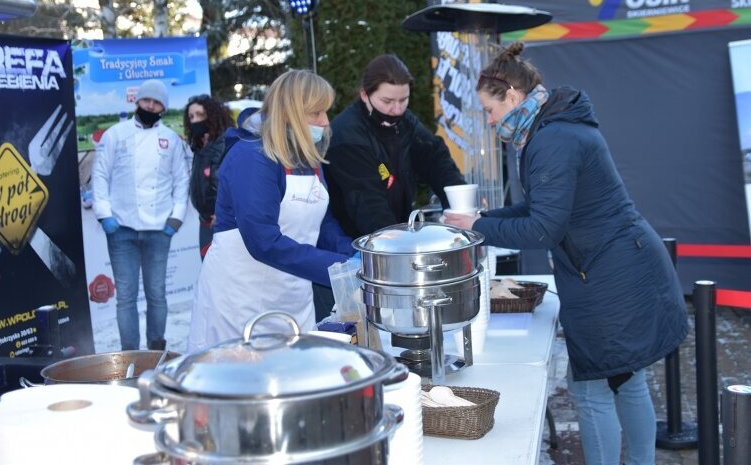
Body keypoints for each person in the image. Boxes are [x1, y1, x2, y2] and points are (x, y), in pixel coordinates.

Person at [444, 42, 689, 465]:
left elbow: (543, 228)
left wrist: (478, 227)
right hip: (619, 264)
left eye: (489, 109)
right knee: (628, 380)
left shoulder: (550, 139)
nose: (489, 121)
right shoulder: (550, 129)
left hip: (611, 275)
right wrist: (487, 215)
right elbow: (543, 208)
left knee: (591, 389)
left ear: (514, 98)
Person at [188, 70, 355, 350]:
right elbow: (263, 241)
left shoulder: (307, 157)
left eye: (325, 112)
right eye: (316, 113)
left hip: (291, 295)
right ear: (290, 113)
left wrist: (356, 253)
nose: (325, 122)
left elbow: (321, 224)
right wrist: (339, 269)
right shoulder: (252, 157)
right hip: (239, 300)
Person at [93, 79, 189, 351]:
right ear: (138, 102)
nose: (151, 105)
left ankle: (156, 350)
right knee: (125, 296)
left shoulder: (170, 139)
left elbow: (181, 180)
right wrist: (104, 215)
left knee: (157, 293)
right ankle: (130, 354)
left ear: (163, 108)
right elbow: (100, 176)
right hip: (121, 229)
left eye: (157, 102)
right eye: (147, 100)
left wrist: (176, 218)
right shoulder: (116, 134)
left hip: (159, 230)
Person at [324, 53, 465, 239]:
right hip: (356, 243)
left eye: (404, 100)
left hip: (397, 229)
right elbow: (367, 203)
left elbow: (435, 159)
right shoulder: (347, 136)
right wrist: (397, 246)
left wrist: (460, 206)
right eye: (387, 102)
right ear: (364, 95)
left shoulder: (405, 122)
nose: (397, 110)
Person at [183, 94, 234, 259]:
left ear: (212, 116)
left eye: (200, 115)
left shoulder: (227, 144)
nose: (195, 120)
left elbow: (236, 184)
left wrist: (225, 213)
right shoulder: (199, 148)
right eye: (191, 117)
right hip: (205, 223)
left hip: (224, 224)